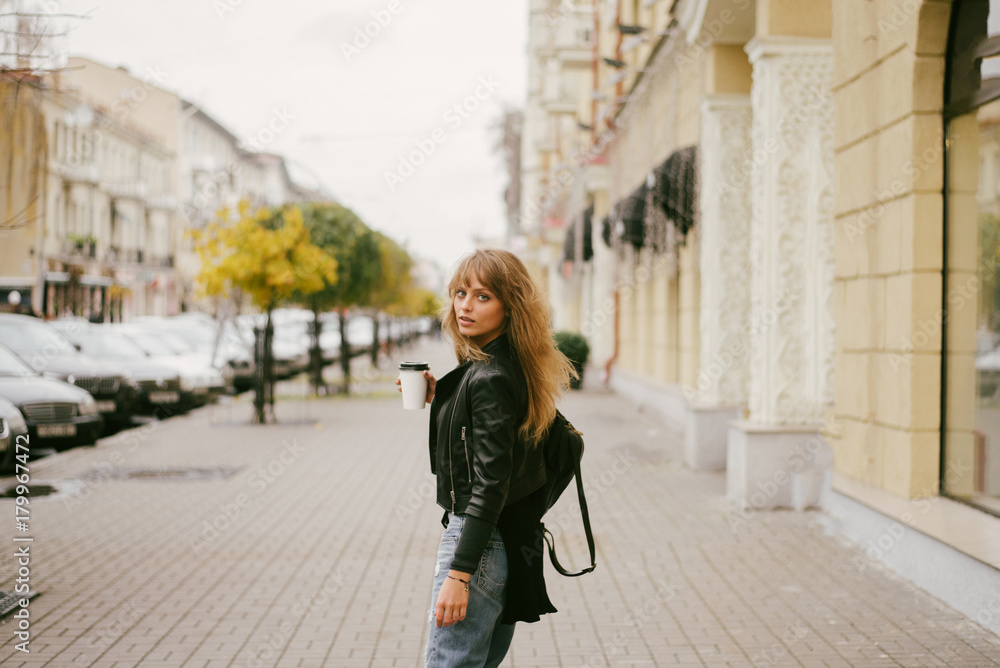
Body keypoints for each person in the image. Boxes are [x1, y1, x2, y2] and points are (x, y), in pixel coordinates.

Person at [397, 248, 576, 667]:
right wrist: (441, 393)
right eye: (460, 292)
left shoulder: (490, 378)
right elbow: (492, 430)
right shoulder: (505, 365)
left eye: (483, 296)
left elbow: (490, 483)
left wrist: (459, 575)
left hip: (476, 545)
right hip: (506, 542)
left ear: (509, 307)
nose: (465, 306)